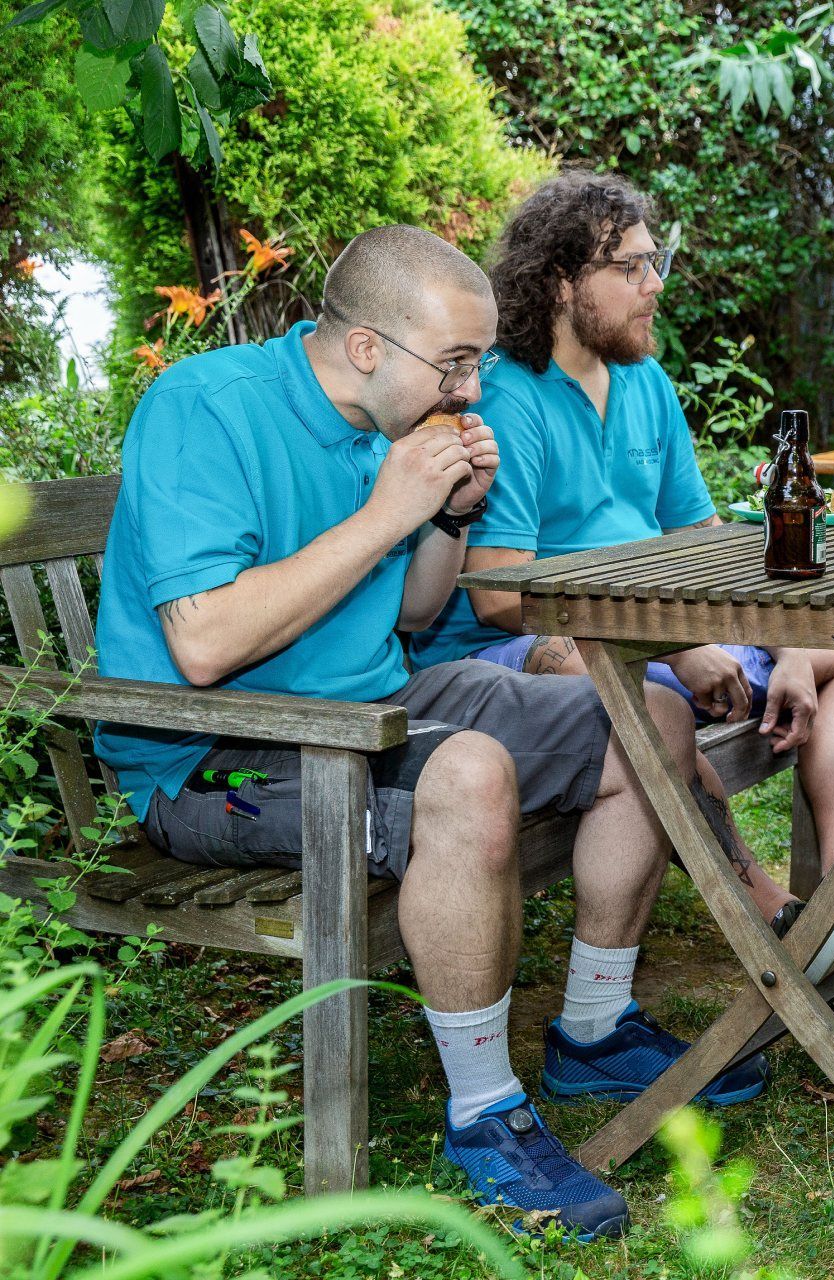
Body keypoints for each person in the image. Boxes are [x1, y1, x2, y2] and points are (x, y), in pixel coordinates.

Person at [94, 225, 756, 1241]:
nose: (472, 390)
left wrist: (445, 518)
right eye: (453, 363)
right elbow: (205, 644)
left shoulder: (380, 420)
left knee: (648, 712)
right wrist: (387, 506)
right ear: (367, 347)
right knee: (472, 772)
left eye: (477, 362)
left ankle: (592, 1023)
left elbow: (408, 616)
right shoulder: (204, 409)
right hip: (211, 760)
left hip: (373, 706)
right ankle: (487, 1112)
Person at [411, 172, 834, 987]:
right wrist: (676, 647)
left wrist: (785, 642)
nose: (655, 287)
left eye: (657, 264)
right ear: (563, 282)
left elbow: (707, 542)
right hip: (527, 652)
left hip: (656, 632)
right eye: (633, 269)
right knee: (649, 702)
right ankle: (787, 928)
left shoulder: (644, 382)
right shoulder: (509, 396)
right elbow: (503, 596)